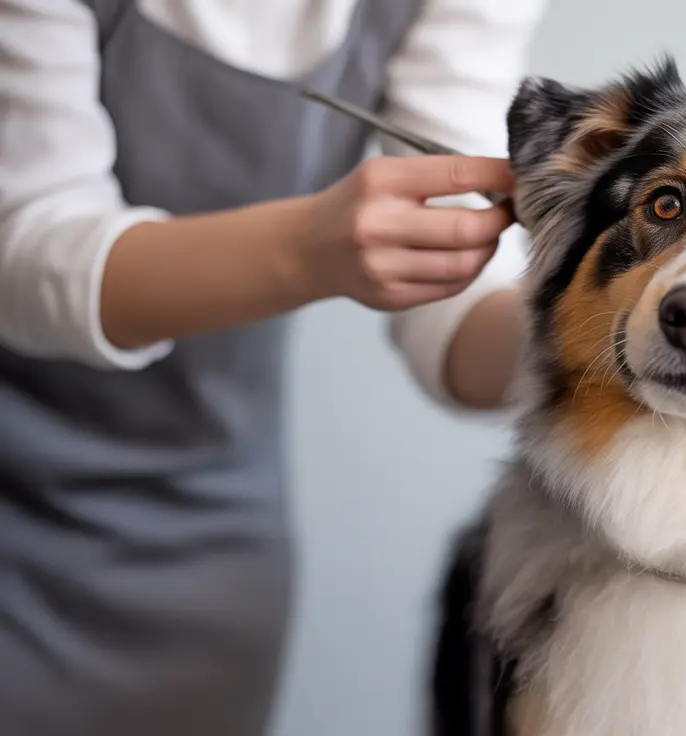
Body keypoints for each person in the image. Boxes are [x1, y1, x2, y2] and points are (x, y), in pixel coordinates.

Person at [0, 0, 544, 733]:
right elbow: (24, 246)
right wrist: (303, 251)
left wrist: (600, 338)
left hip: (205, 523)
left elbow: (458, 308)